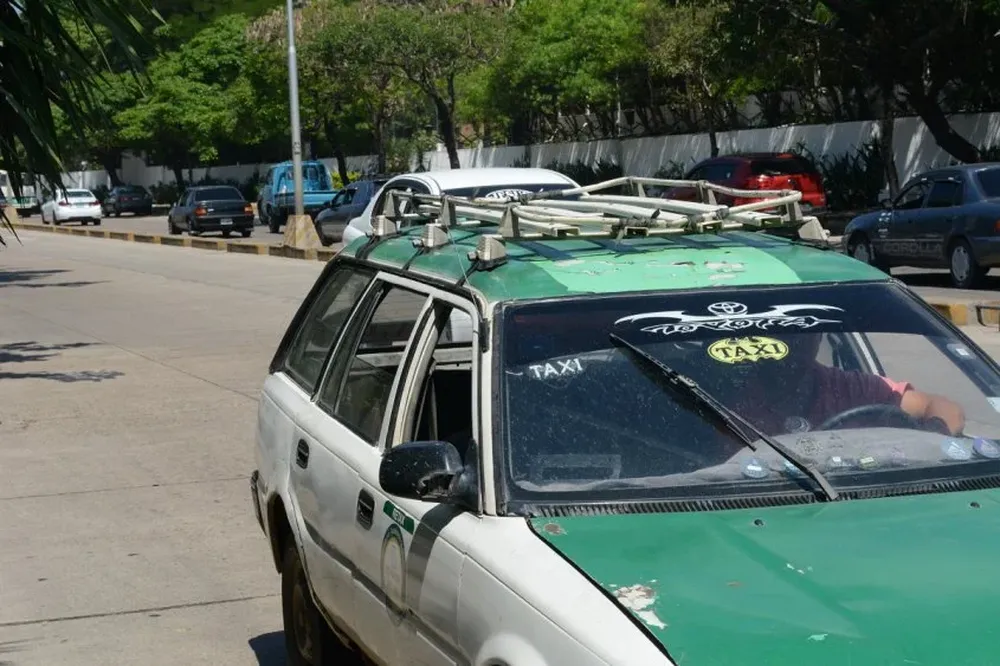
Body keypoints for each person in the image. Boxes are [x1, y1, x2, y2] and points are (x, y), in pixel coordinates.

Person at [721, 332, 966, 436]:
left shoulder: (844, 386)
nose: (797, 343)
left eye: (806, 332)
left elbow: (940, 406)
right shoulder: (716, 392)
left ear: (819, 338)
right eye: (786, 335)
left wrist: (934, 434)